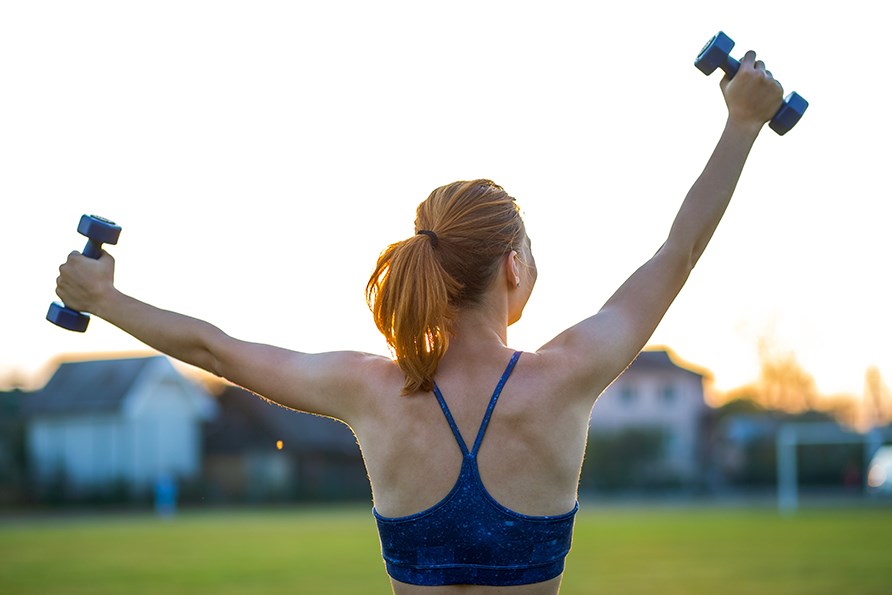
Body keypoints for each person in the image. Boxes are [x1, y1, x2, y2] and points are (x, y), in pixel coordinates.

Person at [54, 51, 783, 594]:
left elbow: (213, 349)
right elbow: (679, 250)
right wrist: (742, 123)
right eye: (532, 253)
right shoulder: (567, 376)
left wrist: (105, 299)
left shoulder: (369, 389)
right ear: (512, 266)